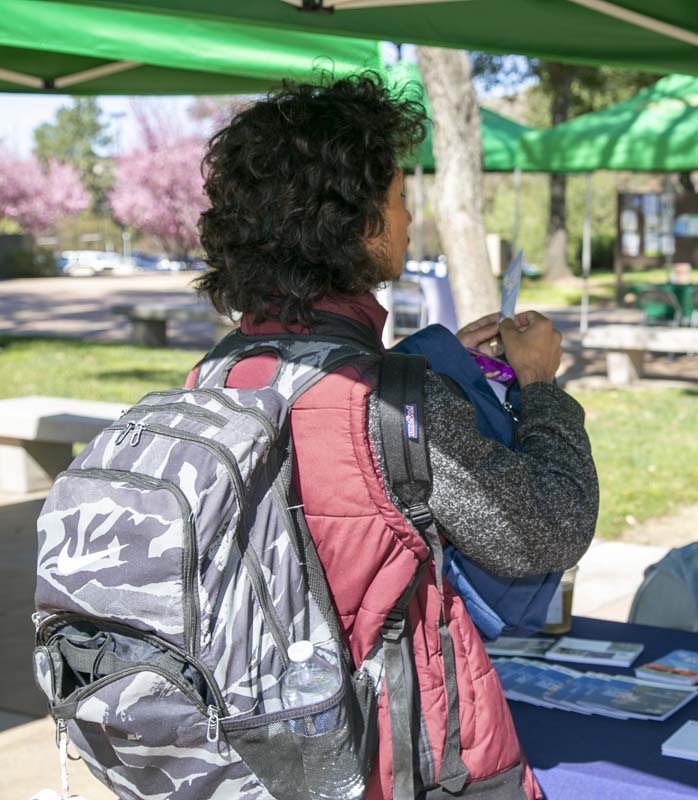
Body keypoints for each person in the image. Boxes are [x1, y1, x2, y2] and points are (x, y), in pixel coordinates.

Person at [194, 72, 597, 799]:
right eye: (401, 199)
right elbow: (549, 528)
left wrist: (429, 358)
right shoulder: (394, 405)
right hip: (397, 755)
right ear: (361, 224)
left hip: (260, 742)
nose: (411, 221)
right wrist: (539, 387)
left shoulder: (220, 373)